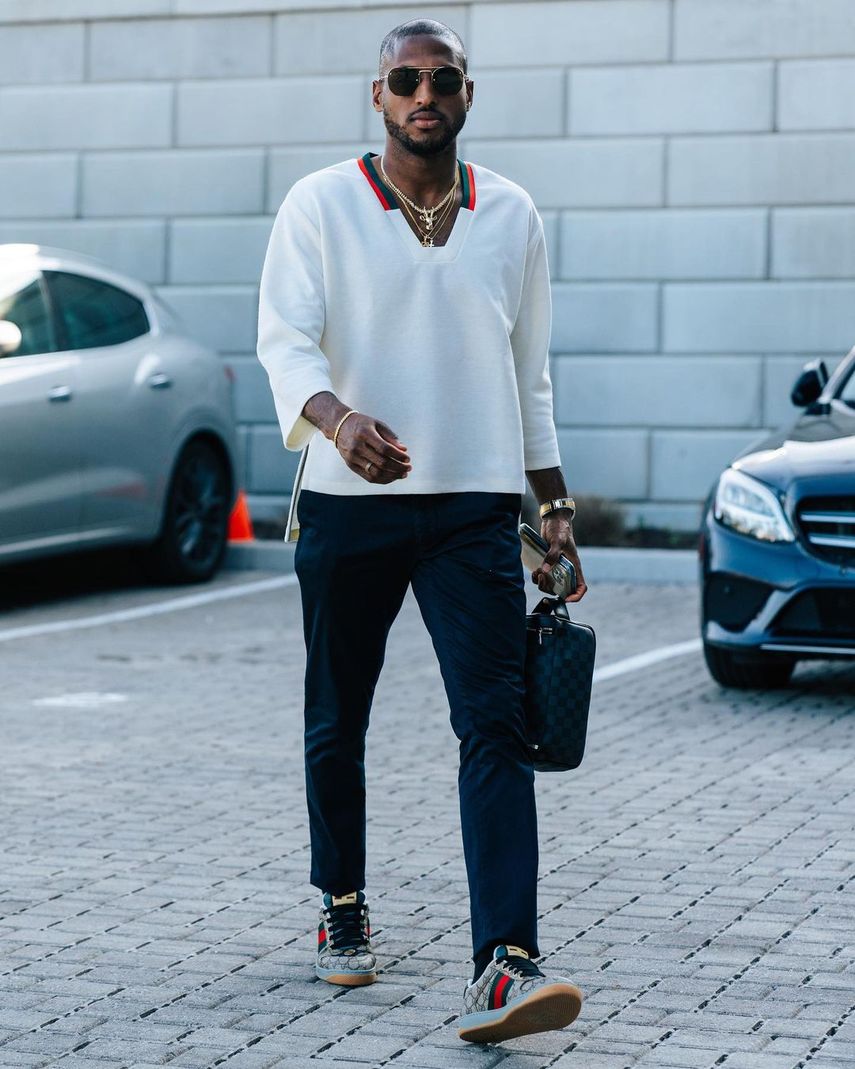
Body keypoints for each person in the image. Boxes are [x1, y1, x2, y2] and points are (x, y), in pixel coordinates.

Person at [256, 17, 587, 1045]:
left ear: (467, 94)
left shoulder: (511, 213)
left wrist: (554, 509)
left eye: (443, 79)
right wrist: (338, 421)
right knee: (336, 716)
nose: (424, 95)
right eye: (405, 80)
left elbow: (529, 372)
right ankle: (342, 900)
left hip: (472, 508)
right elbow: (284, 342)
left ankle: (506, 962)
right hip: (346, 505)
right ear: (379, 96)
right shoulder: (319, 203)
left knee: (495, 725)